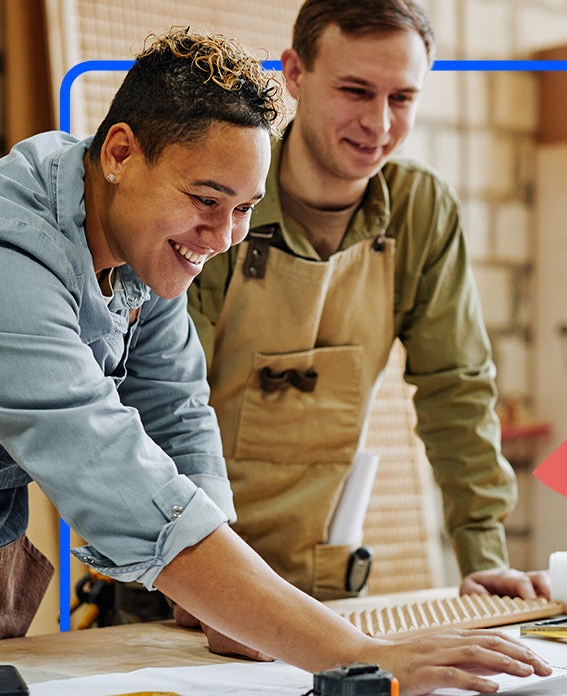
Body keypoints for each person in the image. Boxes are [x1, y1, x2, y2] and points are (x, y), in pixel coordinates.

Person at [0, 29, 550, 696]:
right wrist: (359, 655)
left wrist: (222, 603)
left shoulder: (139, 241)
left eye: (244, 209)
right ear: (120, 151)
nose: (222, 238)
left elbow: (177, 406)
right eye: (206, 201)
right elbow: (114, 474)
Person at [171, 0, 547, 655]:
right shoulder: (220, 196)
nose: (379, 123)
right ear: (294, 73)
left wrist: (484, 556)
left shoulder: (420, 210)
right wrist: (197, 574)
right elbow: (167, 402)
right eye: (355, 91)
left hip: (324, 590)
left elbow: (456, 390)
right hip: (181, 588)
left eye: (402, 98)